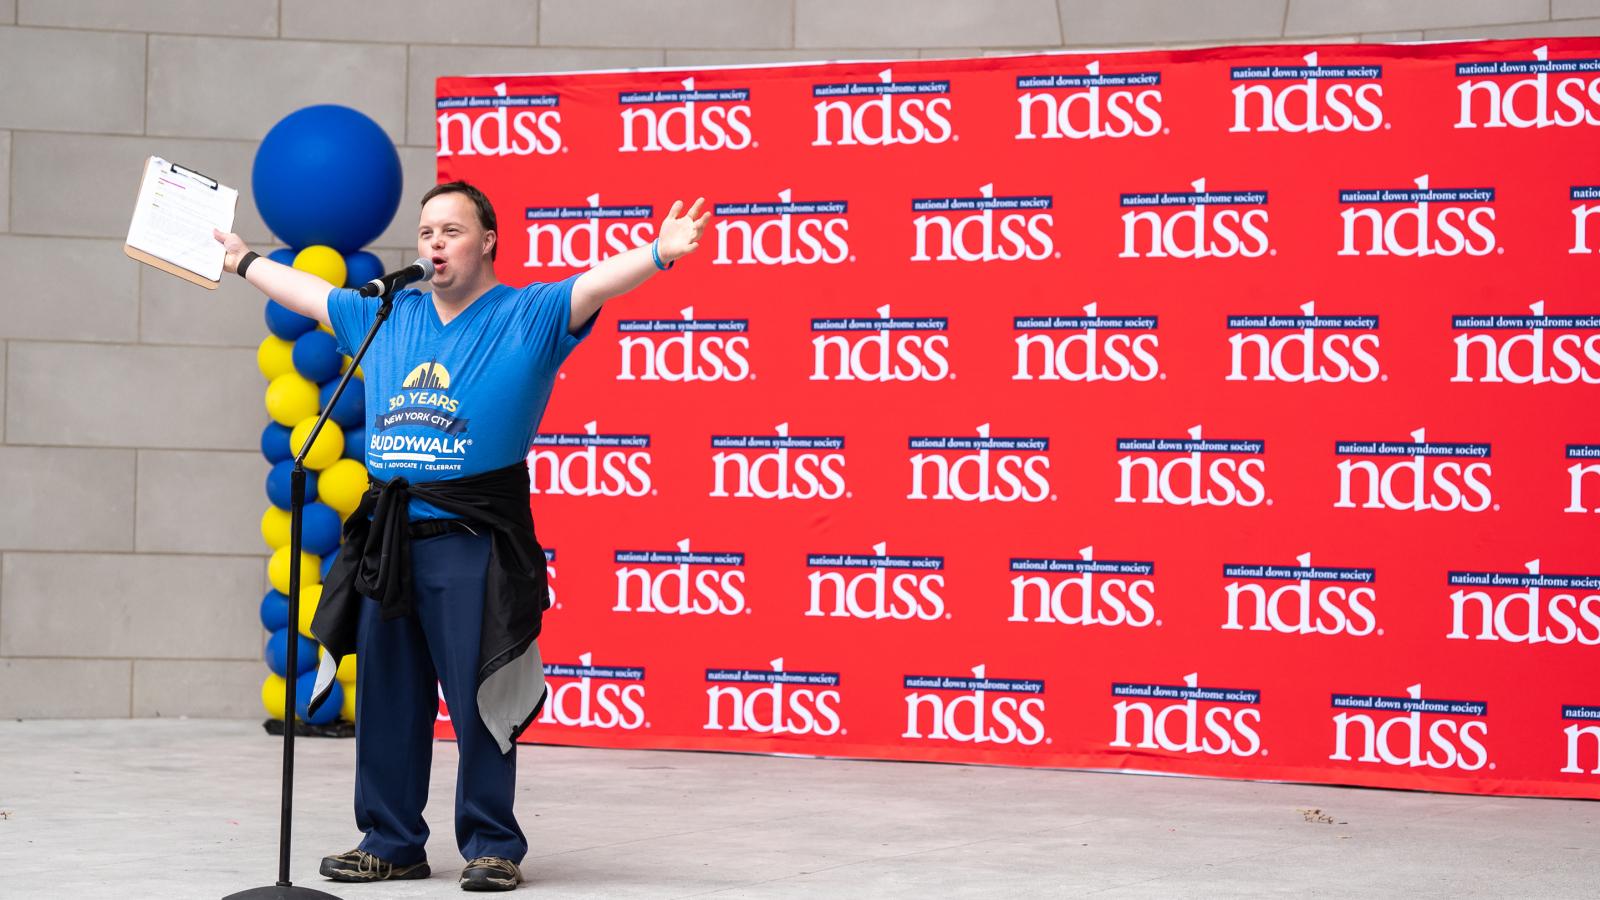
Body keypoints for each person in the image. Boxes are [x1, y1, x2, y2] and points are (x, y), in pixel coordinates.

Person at [214, 182, 708, 892]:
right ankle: (390, 841)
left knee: (484, 694)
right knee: (386, 695)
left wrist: (659, 254)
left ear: (488, 241)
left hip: (472, 537)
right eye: (426, 234)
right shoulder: (388, 313)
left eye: (451, 230)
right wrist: (243, 260)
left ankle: (492, 844)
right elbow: (309, 294)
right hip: (391, 539)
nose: (435, 244)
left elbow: (595, 282)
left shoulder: (527, 314)